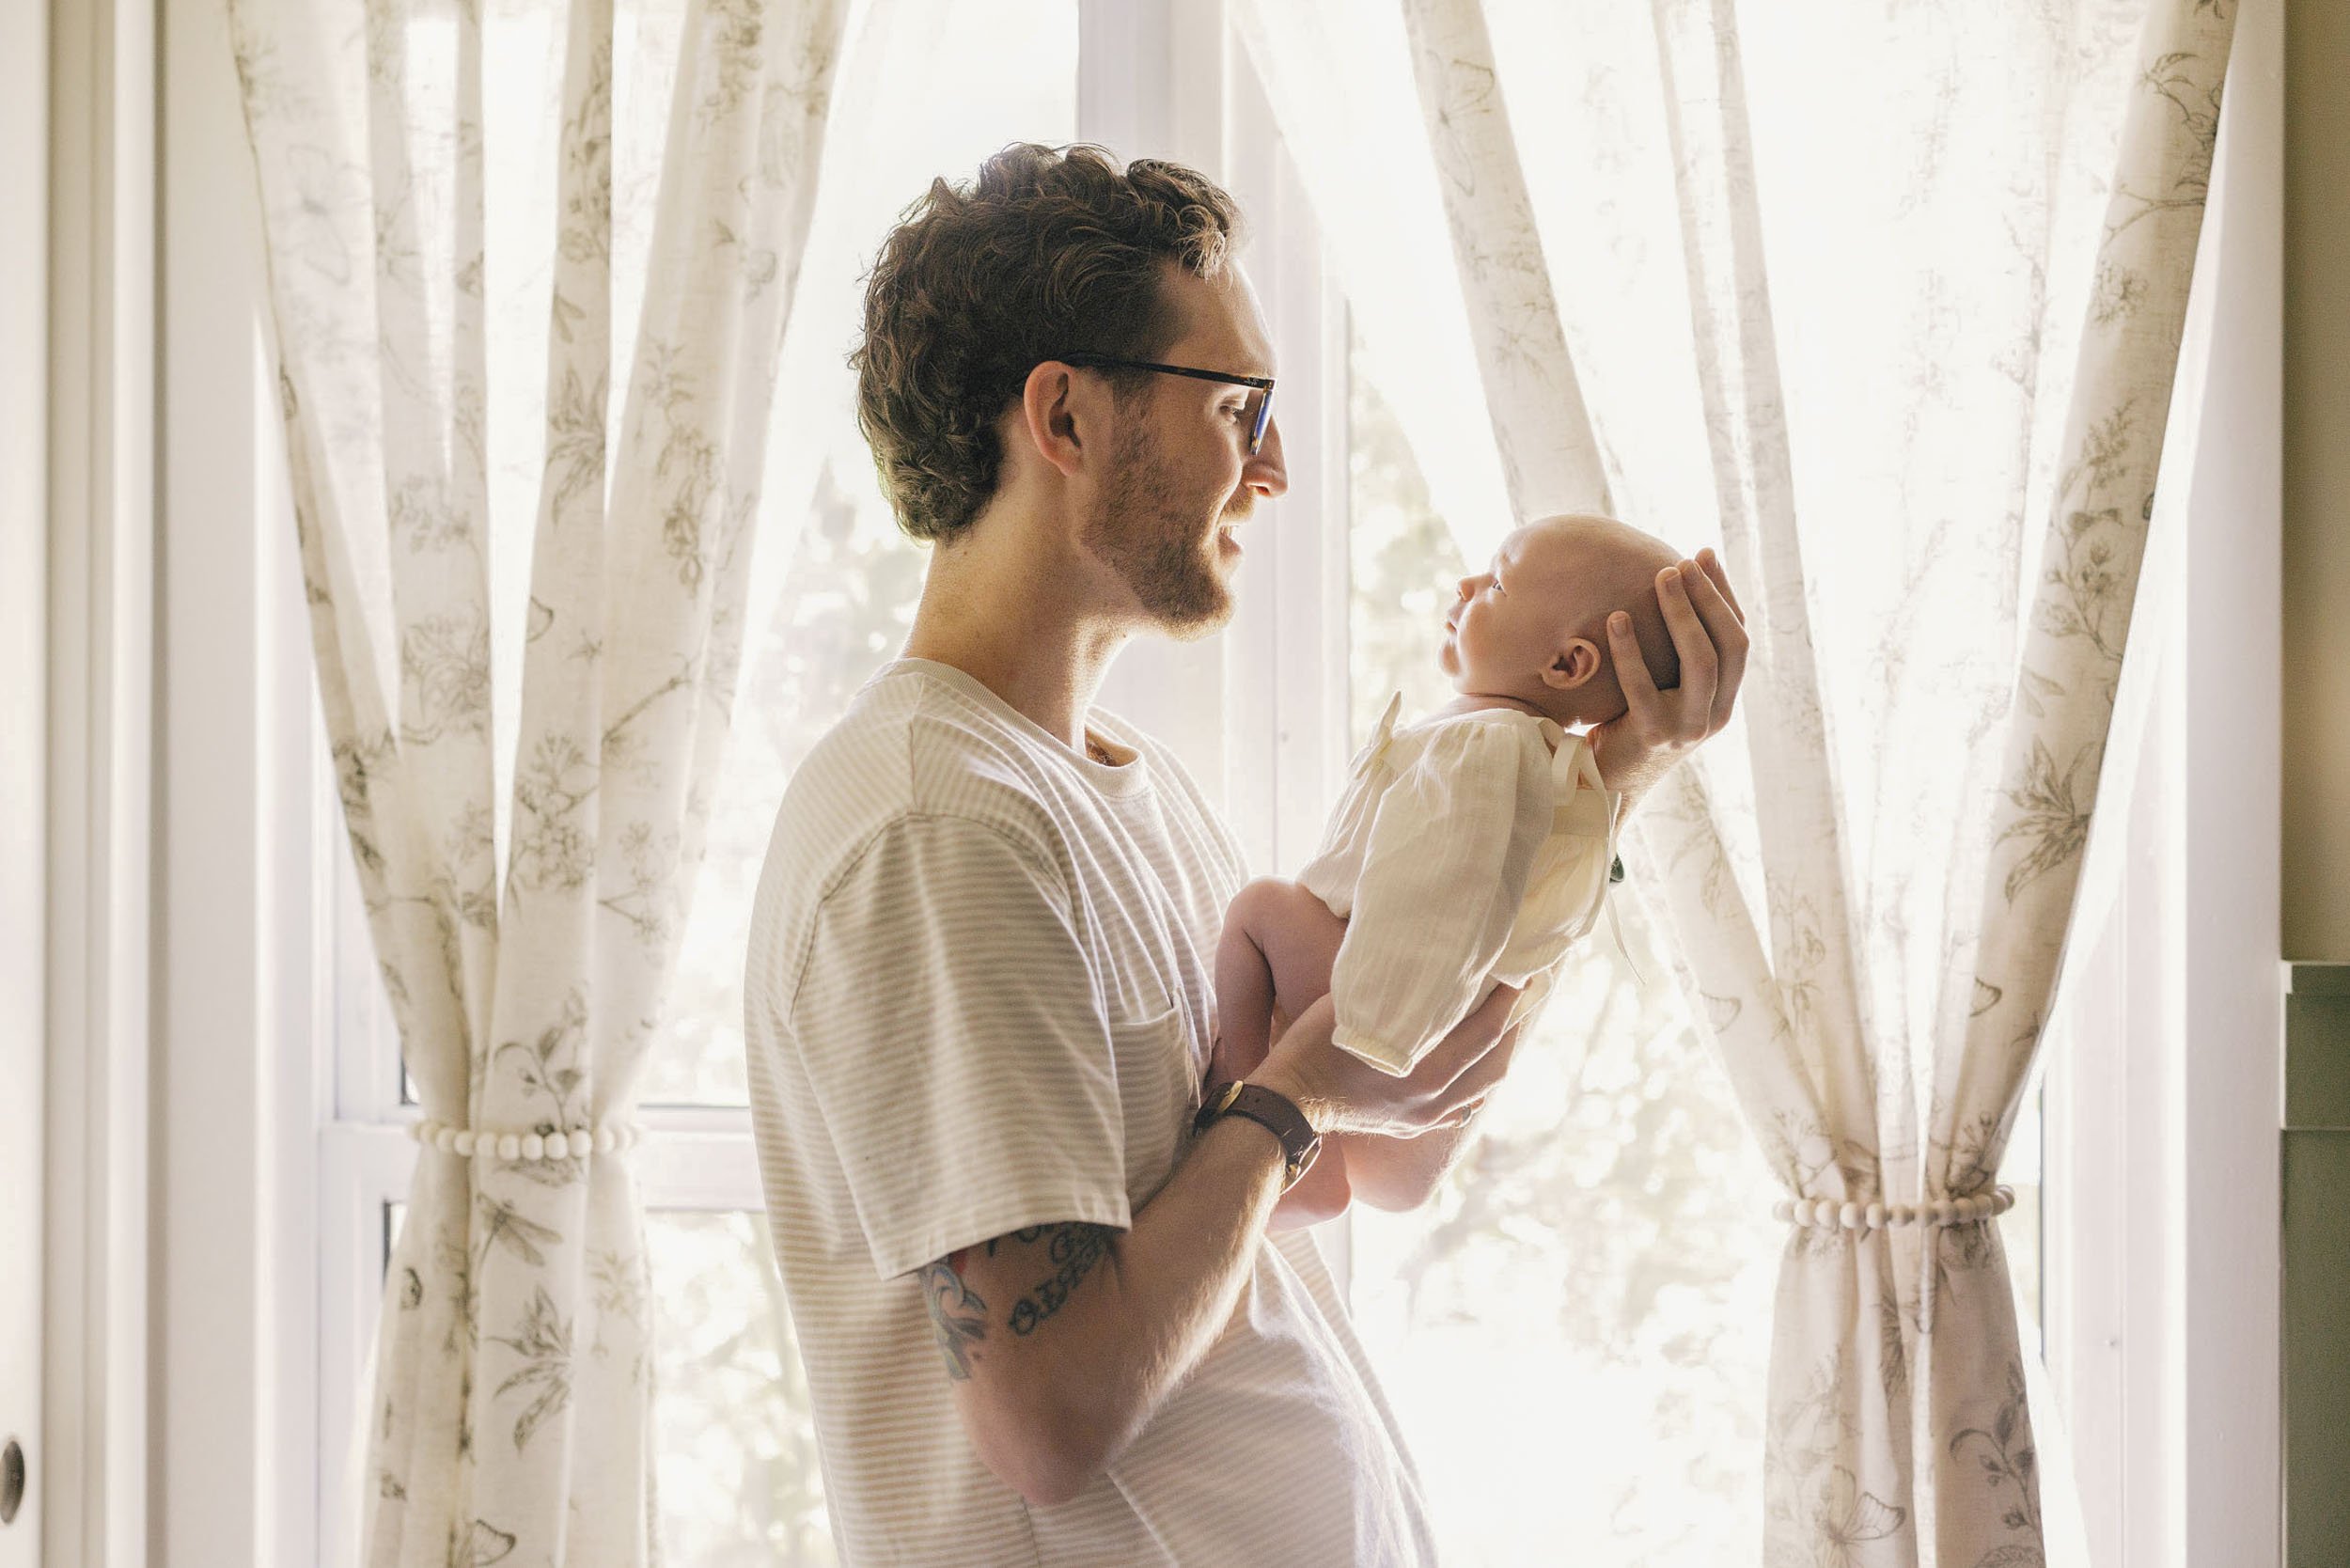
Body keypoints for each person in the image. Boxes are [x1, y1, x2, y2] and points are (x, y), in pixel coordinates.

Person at [742, 144, 1748, 1566]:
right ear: (1068, 416)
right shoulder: (941, 829)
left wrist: (1610, 769)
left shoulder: (1124, 794)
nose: (1273, 464)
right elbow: (1051, 1419)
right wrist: (1296, 1096)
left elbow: (1365, 1161)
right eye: (1241, 405)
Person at [1211, 514, 1694, 1230]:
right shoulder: (1536, 758)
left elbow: (1435, 898)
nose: (1467, 585)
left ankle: (1239, 1104)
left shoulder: (1482, 745)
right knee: (1391, 1177)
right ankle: (1310, 1165)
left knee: (1259, 910)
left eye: (1496, 582)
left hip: (1396, 996)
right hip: (1441, 1007)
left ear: (1567, 666)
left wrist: (1388, 1034)